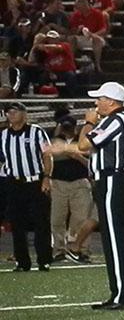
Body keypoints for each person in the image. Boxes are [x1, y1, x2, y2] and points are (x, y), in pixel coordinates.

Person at [75, 82, 124, 310]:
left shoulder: (115, 120)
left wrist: (89, 122)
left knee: (114, 239)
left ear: (111, 101)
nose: (96, 103)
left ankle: (121, 296)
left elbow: (84, 145)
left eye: (100, 99)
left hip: (114, 179)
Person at [0, 102, 53, 272]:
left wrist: (46, 177)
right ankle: (22, 262)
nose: (11, 115)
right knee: (17, 223)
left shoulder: (37, 131)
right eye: (8, 112)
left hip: (35, 181)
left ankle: (44, 259)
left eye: (14, 111)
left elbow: (47, 155)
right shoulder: (3, 135)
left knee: (41, 222)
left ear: (24, 113)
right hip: (14, 182)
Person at [49, 111, 91, 262]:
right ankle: (58, 250)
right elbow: (50, 155)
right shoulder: (53, 139)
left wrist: (76, 155)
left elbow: (90, 164)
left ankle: (80, 250)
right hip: (58, 183)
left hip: (80, 182)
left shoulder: (83, 140)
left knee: (80, 219)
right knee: (57, 219)